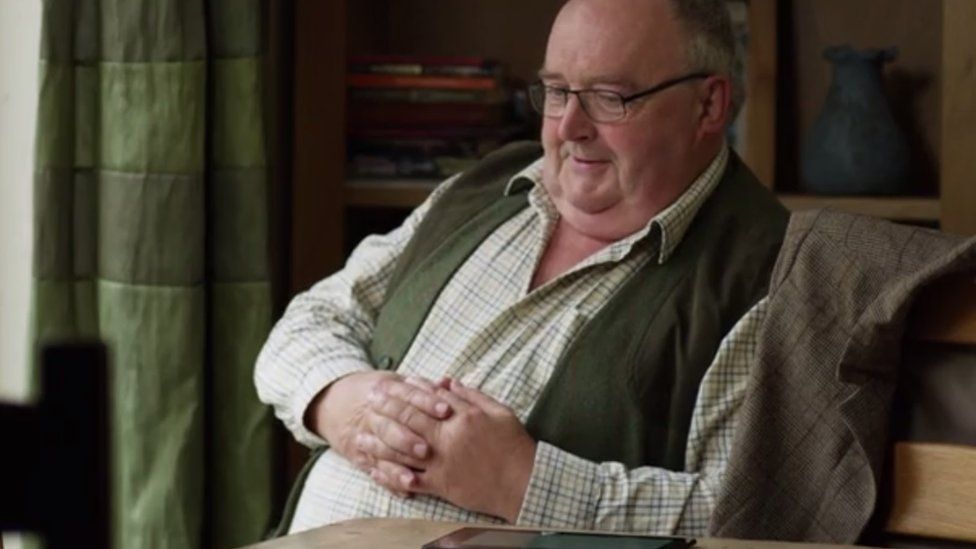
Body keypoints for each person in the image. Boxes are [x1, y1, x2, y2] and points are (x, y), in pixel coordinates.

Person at [256, 0, 787, 536]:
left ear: (708, 105)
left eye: (610, 98)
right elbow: (311, 320)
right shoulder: (490, 185)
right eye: (556, 92)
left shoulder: (765, 274)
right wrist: (352, 407)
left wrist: (521, 481)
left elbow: (753, 518)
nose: (569, 128)